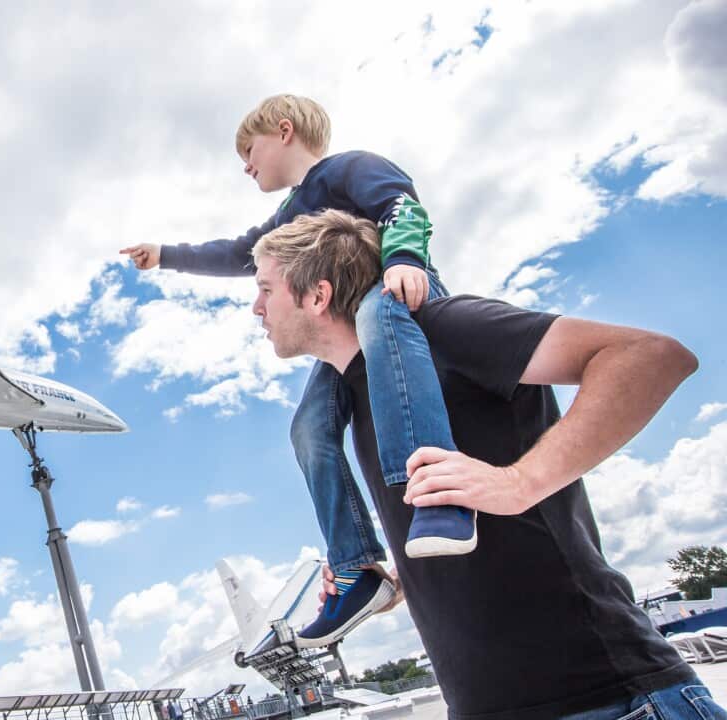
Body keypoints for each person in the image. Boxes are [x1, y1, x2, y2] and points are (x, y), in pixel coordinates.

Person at [251, 208, 717, 719]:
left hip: (611, 699)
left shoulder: (438, 329)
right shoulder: (357, 400)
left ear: (317, 296)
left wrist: (519, 482)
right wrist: (401, 583)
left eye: (266, 290)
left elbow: (650, 357)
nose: (256, 308)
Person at [120, 94, 464, 648]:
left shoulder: (351, 169)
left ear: (284, 132)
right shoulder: (288, 217)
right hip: (349, 329)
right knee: (308, 426)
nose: (245, 164)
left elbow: (404, 208)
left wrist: (403, 259)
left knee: (377, 315)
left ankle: (436, 494)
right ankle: (356, 567)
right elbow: (239, 253)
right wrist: (165, 254)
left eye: (248, 149)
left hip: (397, 294)